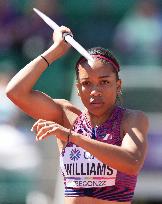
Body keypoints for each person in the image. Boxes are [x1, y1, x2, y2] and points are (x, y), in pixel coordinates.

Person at [6, 26, 149, 204]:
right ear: (78, 89)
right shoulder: (66, 116)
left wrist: (72, 137)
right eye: (86, 83)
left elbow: (132, 161)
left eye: (104, 82)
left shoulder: (131, 120)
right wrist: (55, 51)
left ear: (118, 85)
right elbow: (15, 92)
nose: (95, 91)